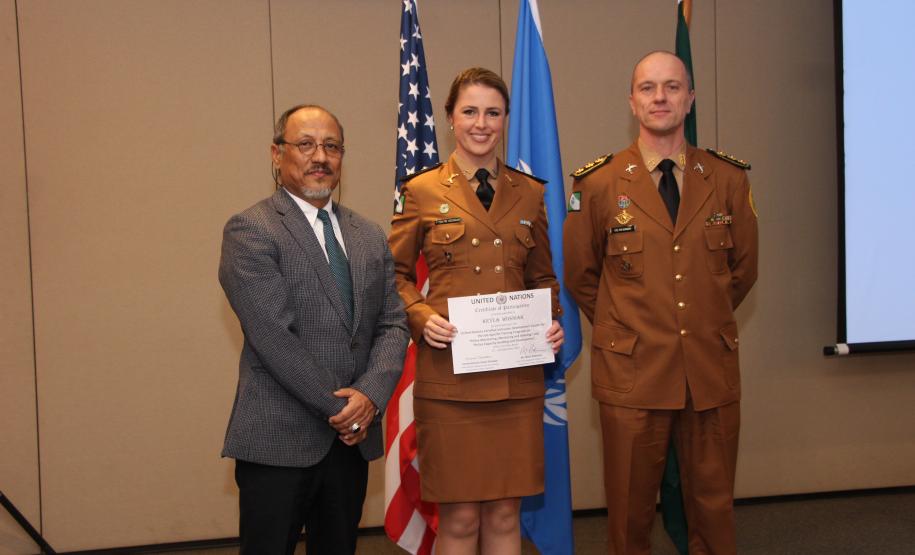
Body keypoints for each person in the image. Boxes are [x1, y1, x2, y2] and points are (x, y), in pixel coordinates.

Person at [563, 51, 759, 555]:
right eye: (648, 88)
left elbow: (742, 272)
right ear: (632, 102)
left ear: (690, 98)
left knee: (714, 510)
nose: (660, 98)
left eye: (672, 87)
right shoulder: (599, 183)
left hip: (708, 370)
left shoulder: (728, 179)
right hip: (632, 373)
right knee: (629, 515)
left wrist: (698, 316)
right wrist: (626, 327)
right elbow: (583, 277)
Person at [388, 67, 565, 554]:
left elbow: (543, 278)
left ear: (506, 118)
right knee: (461, 519)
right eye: (469, 111)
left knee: (506, 514)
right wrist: (422, 318)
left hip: (515, 378)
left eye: (492, 112)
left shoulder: (531, 192)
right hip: (451, 381)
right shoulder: (421, 191)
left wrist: (551, 323)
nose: (481, 123)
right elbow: (394, 277)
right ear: (450, 118)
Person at [218, 104, 409, 554]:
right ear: (276, 153)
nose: (319, 156)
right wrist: (343, 410)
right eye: (305, 144)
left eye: (331, 146)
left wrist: (370, 398)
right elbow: (273, 338)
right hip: (278, 440)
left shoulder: (367, 234)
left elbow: (393, 323)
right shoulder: (251, 230)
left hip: (349, 447)